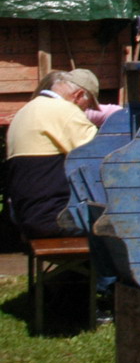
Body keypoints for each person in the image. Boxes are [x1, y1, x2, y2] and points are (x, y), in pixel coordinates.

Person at [6, 70, 100, 237]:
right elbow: (100, 159)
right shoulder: (65, 111)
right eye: (89, 105)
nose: (86, 111)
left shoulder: (27, 110)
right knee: (123, 226)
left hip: (26, 218)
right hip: (54, 219)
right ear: (78, 95)